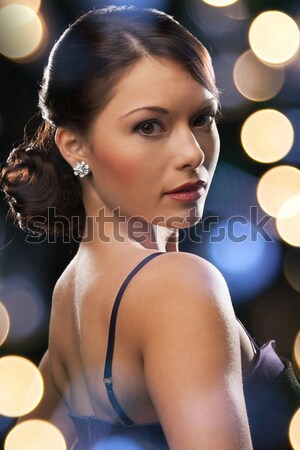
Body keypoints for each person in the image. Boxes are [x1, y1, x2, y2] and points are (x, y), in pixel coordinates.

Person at [1, 6, 299, 450]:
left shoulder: (69, 295)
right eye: (149, 126)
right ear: (73, 145)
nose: (193, 154)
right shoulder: (180, 287)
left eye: (202, 118)